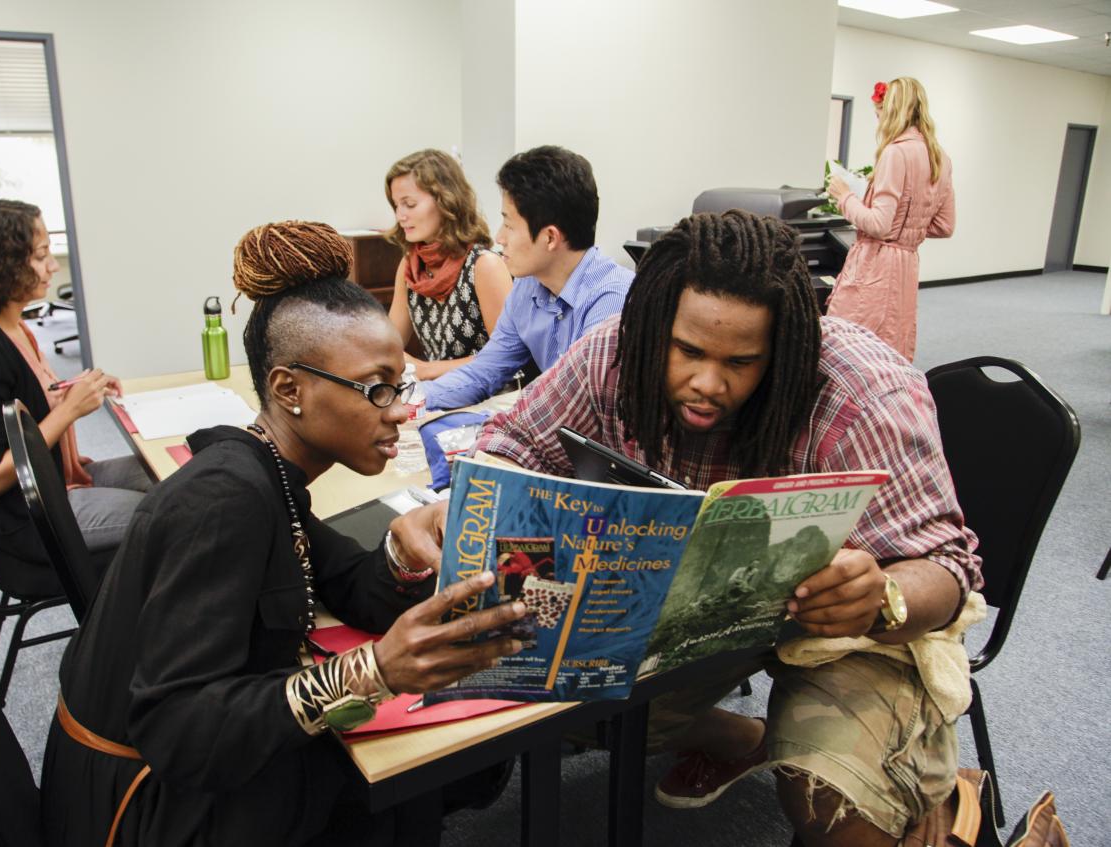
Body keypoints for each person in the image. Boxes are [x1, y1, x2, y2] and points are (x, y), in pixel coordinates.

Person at [394, 210, 982, 846]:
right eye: (689, 351)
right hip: (692, 612)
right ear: (654, 329)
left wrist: (882, 598)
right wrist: (472, 500)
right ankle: (743, 736)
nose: (708, 382)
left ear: (784, 350)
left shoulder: (863, 393)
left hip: (840, 628)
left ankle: (946, 806)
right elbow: (514, 442)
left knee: (834, 806)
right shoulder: (616, 351)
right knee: (563, 702)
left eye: (743, 362)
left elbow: (949, 568)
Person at [40, 220, 529, 847]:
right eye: (377, 388)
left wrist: (404, 549)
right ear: (288, 389)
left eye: (401, 385)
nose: (402, 410)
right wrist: (369, 672)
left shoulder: (267, 472)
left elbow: (346, 580)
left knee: (419, 768)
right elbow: (178, 732)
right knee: (406, 777)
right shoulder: (225, 501)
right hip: (140, 810)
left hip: (157, 781)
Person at [0, 199, 151, 585]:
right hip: (27, 522)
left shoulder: (11, 328)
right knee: (178, 510)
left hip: (52, 483)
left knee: (178, 477)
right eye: (41, 255)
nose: (53, 266)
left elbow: (21, 410)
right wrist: (67, 412)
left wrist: (71, 391)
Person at [420, 145, 633, 410]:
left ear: (550, 237)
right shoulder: (527, 287)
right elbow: (484, 372)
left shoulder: (613, 301)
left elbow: (579, 406)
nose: (499, 238)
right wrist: (413, 400)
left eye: (509, 225)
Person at [826, 76, 955, 361]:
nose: (878, 122)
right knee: (892, 345)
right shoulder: (941, 158)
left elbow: (879, 225)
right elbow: (944, 225)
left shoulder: (896, 153)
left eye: (878, 114)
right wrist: (910, 229)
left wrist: (844, 195)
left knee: (852, 344)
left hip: (877, 263)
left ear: (891, 111)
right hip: (907, 264)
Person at [384, 149, 513, 380]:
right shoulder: (409, 267)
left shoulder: (484, 266)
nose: (400, 215)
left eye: (410, 204)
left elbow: (507, 358)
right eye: (396, 205)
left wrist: (425, 369)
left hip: (487, 397)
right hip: (434, 393)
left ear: (447, 201)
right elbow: (388, 343)